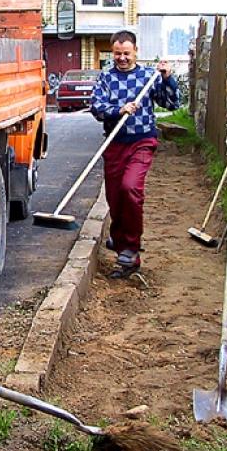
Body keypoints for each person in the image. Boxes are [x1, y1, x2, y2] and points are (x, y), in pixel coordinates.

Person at [90, 30, 180, 278]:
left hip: (142, 141)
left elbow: (171, 103)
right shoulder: (106, 77)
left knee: (130, 188)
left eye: (126, 53)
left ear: (135, 51)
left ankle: (130, 247)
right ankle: (120, 243)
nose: (121, 58)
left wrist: (168, 78)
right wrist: (119, 110)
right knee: (115, 197)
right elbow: (96, 107)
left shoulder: (149, 76)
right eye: (117, 54)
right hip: (115, 142)